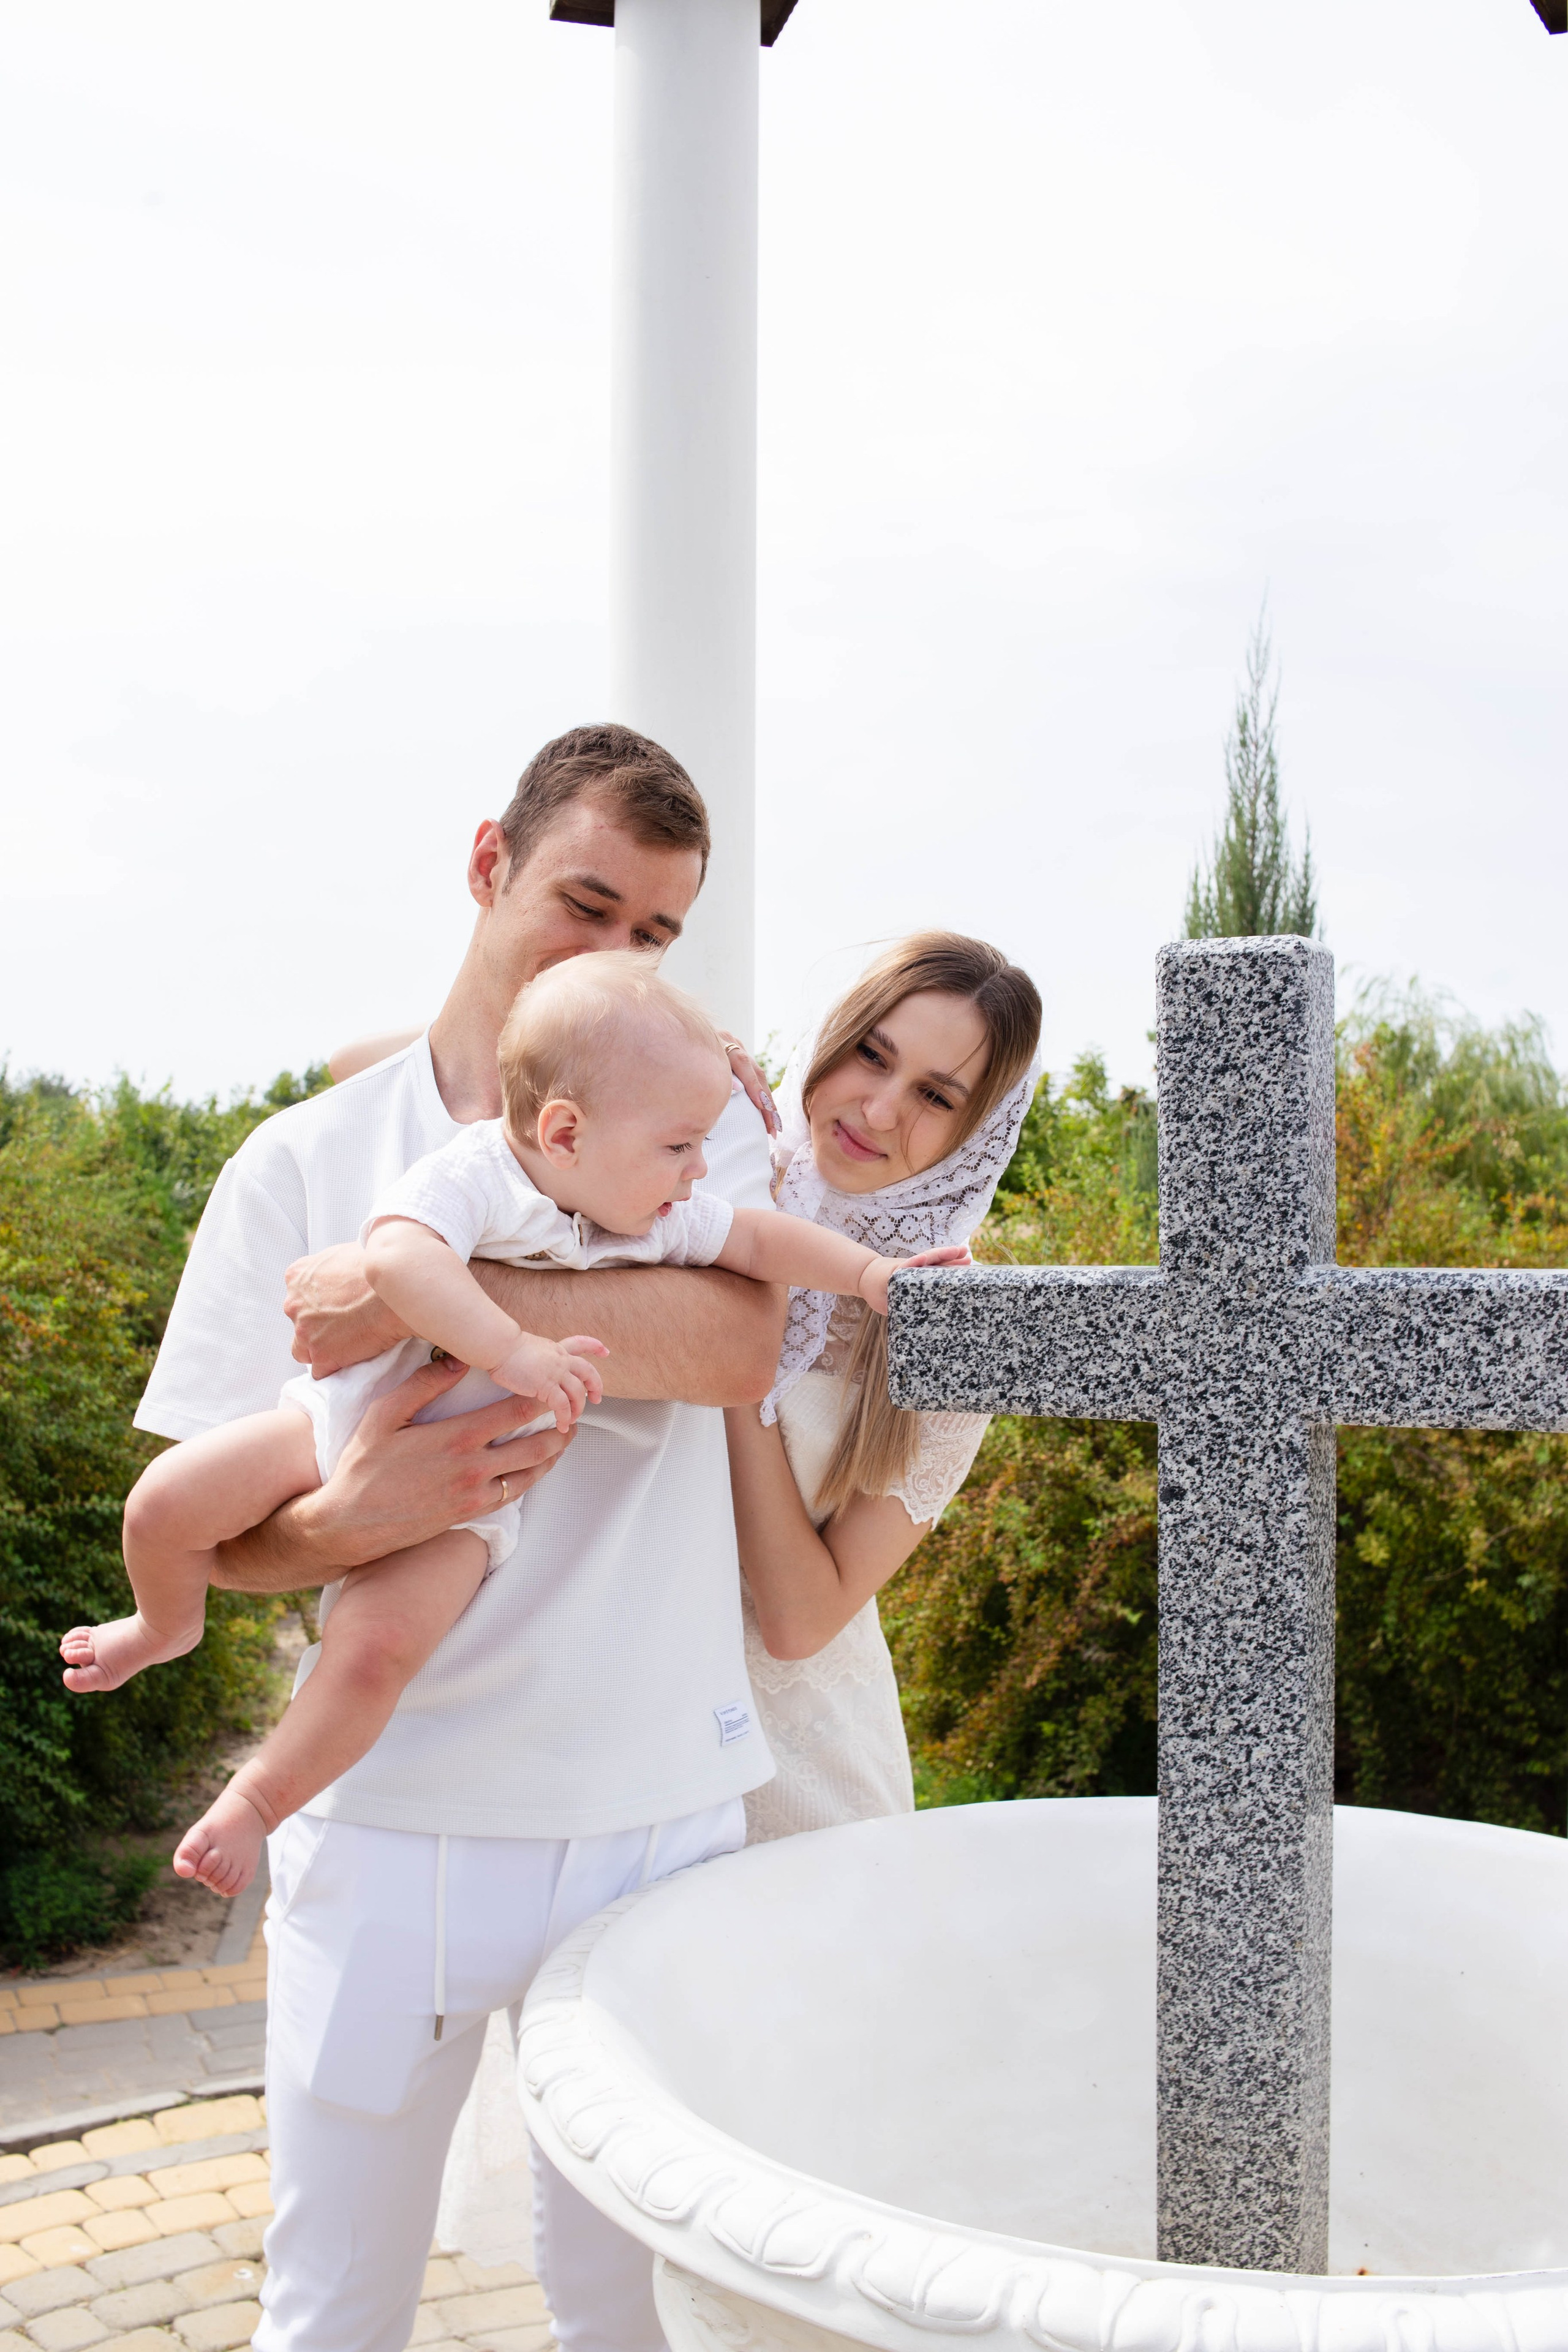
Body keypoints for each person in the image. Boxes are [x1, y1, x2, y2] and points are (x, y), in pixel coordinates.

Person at [132, 723, 792, 2352]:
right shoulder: (300, 1166)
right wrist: (351, 1520)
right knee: (334, 2302)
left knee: (637, 2313)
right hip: (392, 1826)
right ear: (487, 864)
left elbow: (736, 1349)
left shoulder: (715, 1125)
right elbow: (212, 1528)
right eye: (586, 903)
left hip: (664, 1824)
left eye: (656, 933)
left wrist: (419, 1288)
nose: (617, 958)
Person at [86, 956, 963, 1899]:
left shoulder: (649, 1215)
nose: (699, 1169)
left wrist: (873, 1280)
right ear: (567, 1129)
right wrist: (512, 1346)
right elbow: (398, 1258)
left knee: (375, 1654)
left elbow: (755, 1243)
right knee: (162, 1501)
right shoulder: (486, 1172)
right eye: (679, 1144)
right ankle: (161, 1625)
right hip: (344, 1421)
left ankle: (254, 1800)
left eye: (937, 1094)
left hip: (480, 1497)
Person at [727, 931, 1041, 1841]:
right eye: (874, 1053)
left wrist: (734, 1362)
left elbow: (800, 1622)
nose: (880, 1107)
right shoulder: (705, 1174)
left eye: (936, 1097)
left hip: (801, 1790)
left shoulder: (950, 1325)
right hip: (618, 1758)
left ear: (977, 1131)